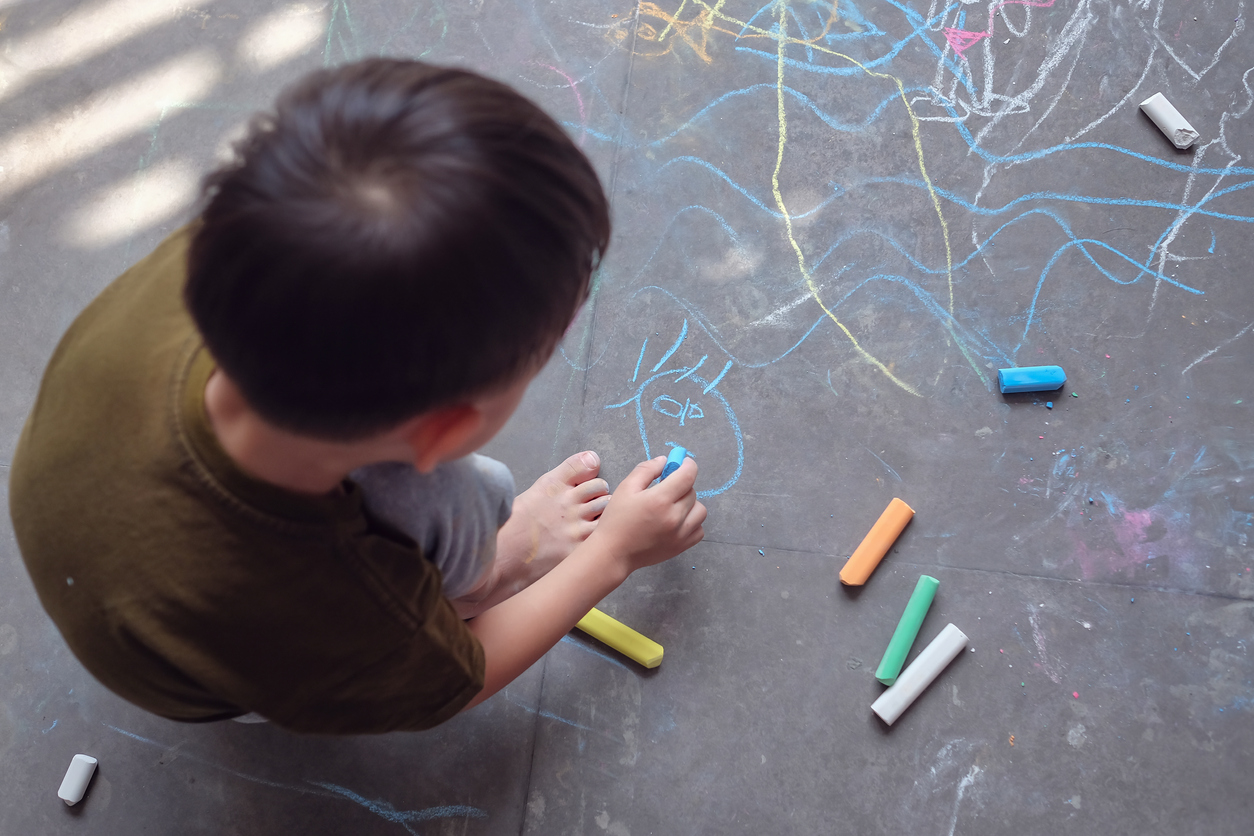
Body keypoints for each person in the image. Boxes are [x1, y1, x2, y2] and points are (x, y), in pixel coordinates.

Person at [8, 59, 706, 734]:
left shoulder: (222, 254)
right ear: (442, 431)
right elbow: (464, 682)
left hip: (106, 539)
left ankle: (483, 566)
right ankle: (490, 574)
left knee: (449, 502)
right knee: (473, 496)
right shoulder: (334, 598)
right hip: (216, 680)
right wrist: (611, 552)